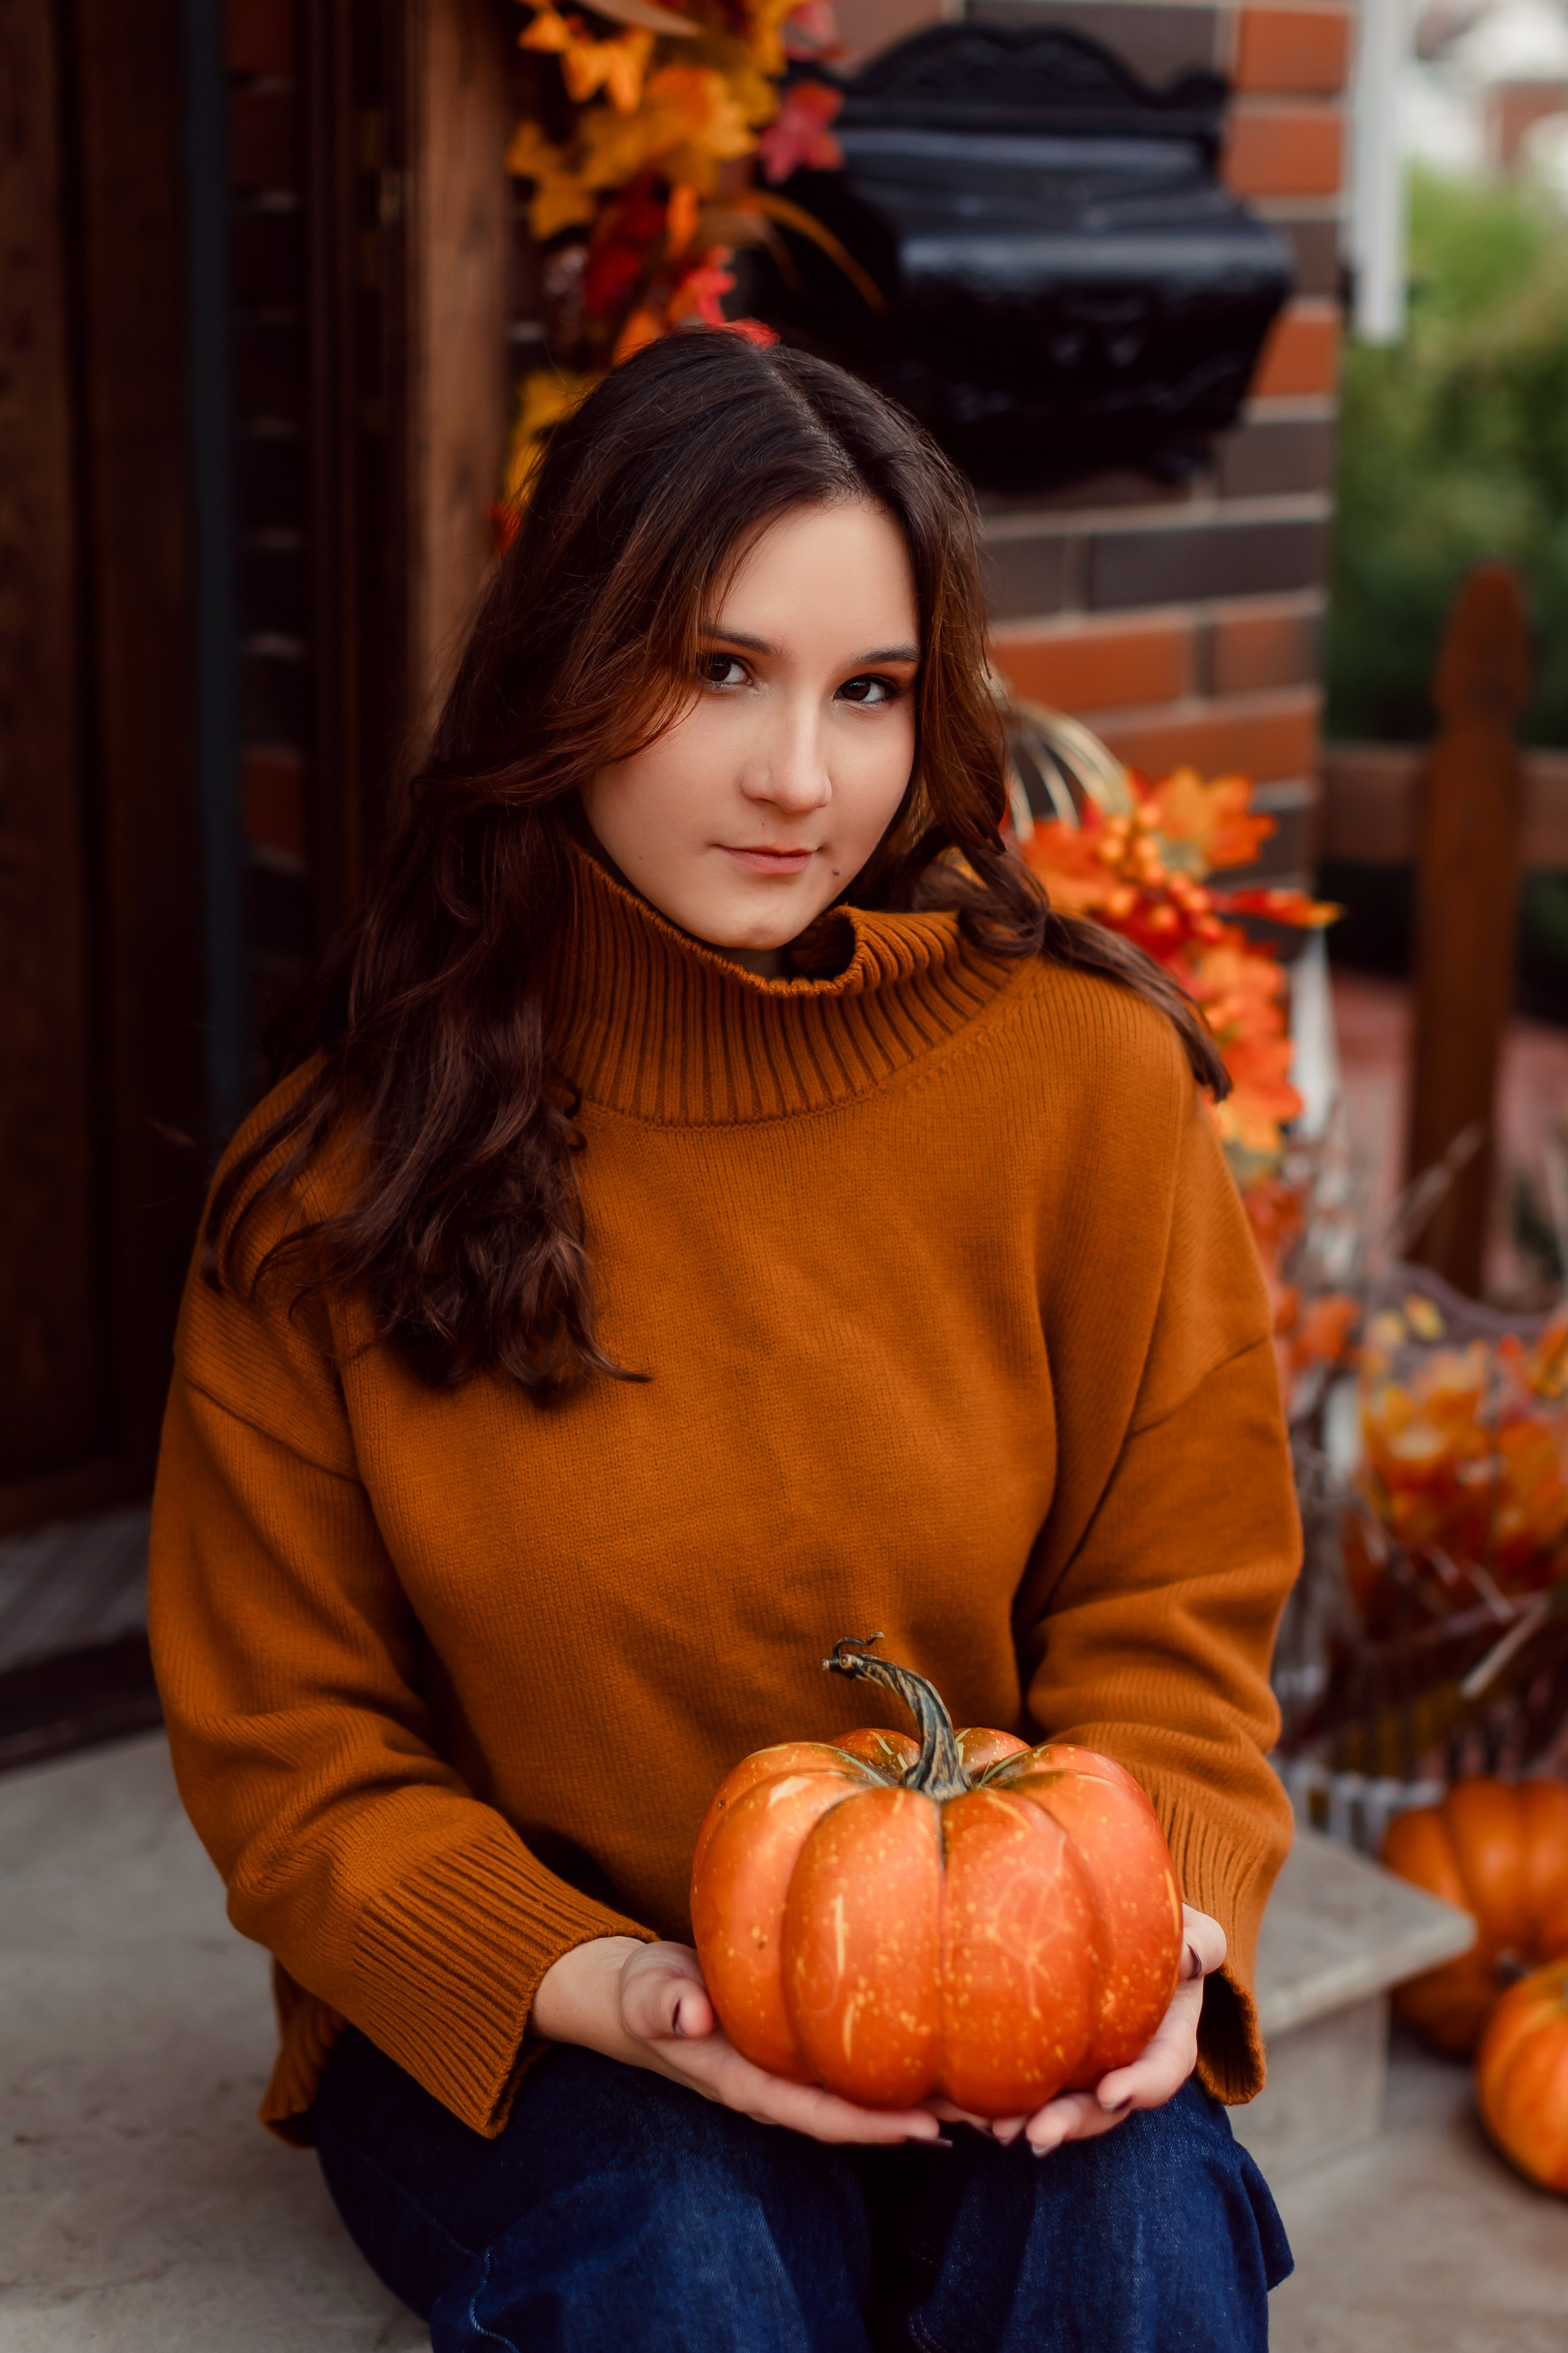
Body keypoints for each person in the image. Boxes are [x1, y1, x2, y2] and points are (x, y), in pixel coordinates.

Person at [149, 328, 1299, 2353]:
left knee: (1130, 2215)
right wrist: (613, 1988)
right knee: (686, 2239)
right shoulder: (341, 1178)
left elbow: (1175, 1593)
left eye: (870, 693)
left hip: (998, 1948)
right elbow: (294, 1749)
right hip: (566, 2015)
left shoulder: (1082, 1085)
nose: (801, 778)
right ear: (567, 677)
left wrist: (1160, 1923)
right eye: (717, 671)